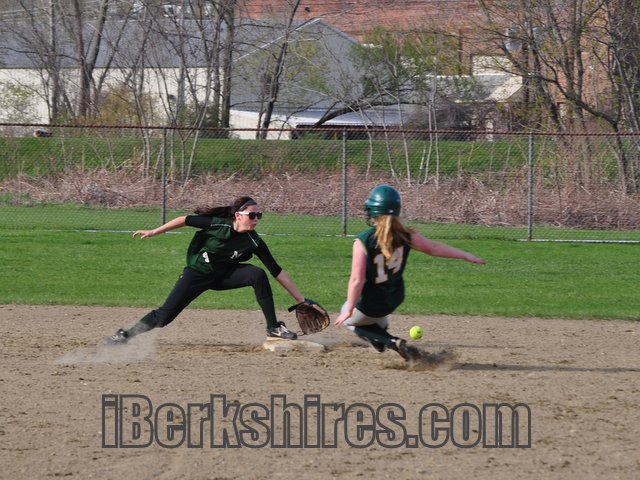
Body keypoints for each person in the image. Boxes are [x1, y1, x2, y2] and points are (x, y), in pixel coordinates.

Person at [104, 196, 306, 344]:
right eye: (252, 215)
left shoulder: (253, 241)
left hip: (225, 276)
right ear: (238, 215)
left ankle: (273, 327)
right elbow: (185, 219)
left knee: (257, 274)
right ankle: (125, 336)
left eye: (258, 215)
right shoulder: (217, 225)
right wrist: (154, 232)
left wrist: (301, 300)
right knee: (163, 317)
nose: (256, 219)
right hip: (197, 274)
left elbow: (276, 271)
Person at [334, 184, 486, 360]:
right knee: (375, 319)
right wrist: (465, 255)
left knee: (348, 319)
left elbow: (357, 280)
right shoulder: (406, 235)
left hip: (371, 302)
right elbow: (434, 248)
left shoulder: (363, 240)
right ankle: (378, 338)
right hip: (395, 297)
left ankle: (390, 341)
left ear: (372, 211)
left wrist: (349, 309)